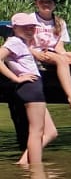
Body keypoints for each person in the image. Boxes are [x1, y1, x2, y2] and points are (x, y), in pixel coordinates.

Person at [22, 0, 71, 117]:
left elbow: (59, 46)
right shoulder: (30, 19)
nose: (46, 4)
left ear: (54, 4)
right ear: (36, 3)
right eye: (42, 1)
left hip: (53, 51)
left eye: (49, 2)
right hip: (37, 51)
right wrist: (34, 53)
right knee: (61, 60)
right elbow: (22, 42)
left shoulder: (59, 22)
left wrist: (64, 55)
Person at [4, 15, 57, 166]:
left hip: (33, 87)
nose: (30, 30)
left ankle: (23, 162)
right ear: (14, 28)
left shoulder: (21, 42)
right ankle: (36, 169)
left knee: (51, 132)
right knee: (36, 132)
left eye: (32, 27)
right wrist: (16, 78)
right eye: (25, 27)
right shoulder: (14, 42)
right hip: (30, 87)